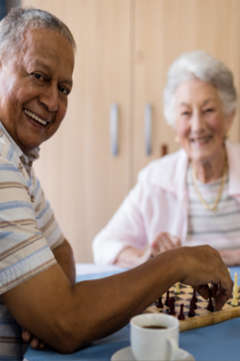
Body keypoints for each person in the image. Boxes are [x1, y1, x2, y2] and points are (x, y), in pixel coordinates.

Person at [0, 8, 232, 360]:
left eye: (64, 88)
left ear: (229, 116)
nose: (52, 101)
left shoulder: (18, 161)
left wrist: (47, 308)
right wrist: (175, 263)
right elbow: (66, 320)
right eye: (38, 76)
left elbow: (63, 254)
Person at [93, 50, 240, 268]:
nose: (197, 126)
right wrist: (144, 258)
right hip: (184, 300)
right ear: (173, 120)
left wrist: (226, 258)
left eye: (208, 110)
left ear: (229, 116)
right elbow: (104, 246)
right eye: (186, 113)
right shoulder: (156, 178)